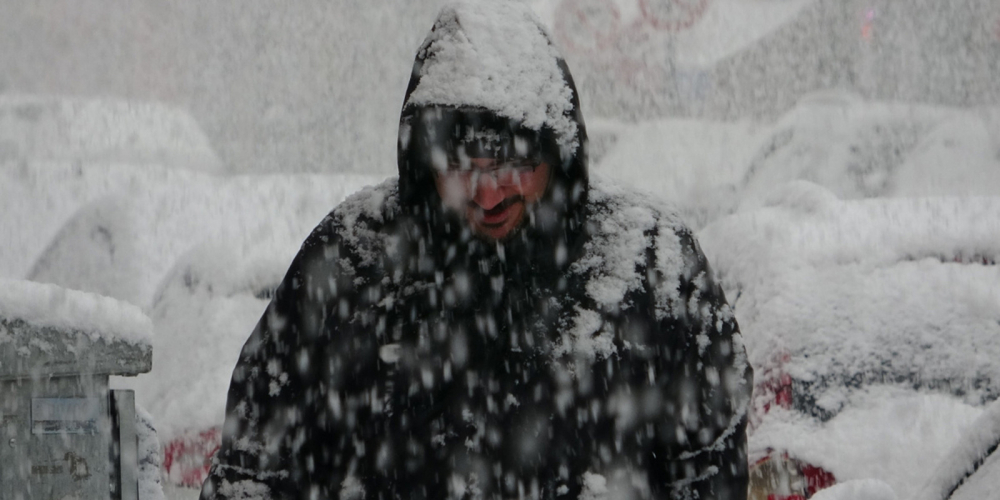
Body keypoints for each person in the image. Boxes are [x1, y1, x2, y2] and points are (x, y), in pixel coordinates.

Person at [200, 2, 752, 499]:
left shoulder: (647, 261)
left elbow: (706, 464)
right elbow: (255, 473)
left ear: (559, 153)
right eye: (463, 166)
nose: (490, 193)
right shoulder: (351, 260)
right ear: (425, 162)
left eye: (514, 164)